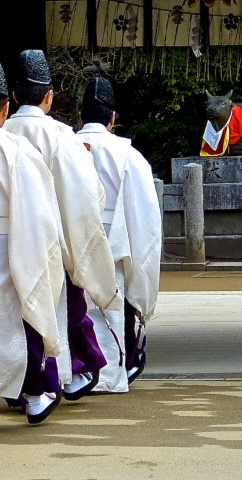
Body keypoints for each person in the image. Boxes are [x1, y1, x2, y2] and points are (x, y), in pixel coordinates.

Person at [2, 49, 123, 404]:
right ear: (49, 96)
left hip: (4, 244)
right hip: (49, 240)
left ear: (12, 98)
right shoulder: (61, 137)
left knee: (8, 317)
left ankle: (19, 387)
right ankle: (61, 378)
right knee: (59, 309)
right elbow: (87, 198)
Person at [0, 57, 66, 425]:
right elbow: (39, 212)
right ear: (7, 108)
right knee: (24, 315)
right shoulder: (18, 149)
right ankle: (34, 395)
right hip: (11, 242)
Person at [76, 76, 162, 391]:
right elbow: (146, 221)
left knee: (72, 306)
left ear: (80, 117)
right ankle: (109, 373)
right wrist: (142, 289)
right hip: (114, 239)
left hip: (71, 238)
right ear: (113, 118)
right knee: (110, 304)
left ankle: (72, 374)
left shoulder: (63, 147)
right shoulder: (129, 157)